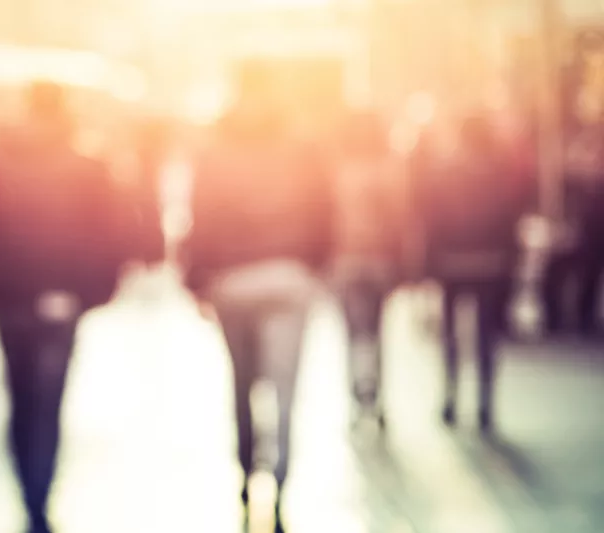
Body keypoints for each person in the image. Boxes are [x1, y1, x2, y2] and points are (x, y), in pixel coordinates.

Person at [0, 81, 161, 533]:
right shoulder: (88, 165)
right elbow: (116, 232)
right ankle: (40, 496)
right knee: (48, 402)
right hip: (62, 301)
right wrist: (93, 290)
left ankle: (29, 495)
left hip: (9, 296)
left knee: (20, 396)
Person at [182, 61, 332, 533]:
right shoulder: (302, 146)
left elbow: (199, 215)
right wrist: (314, 266)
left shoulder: (214, 150)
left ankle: (247, 478)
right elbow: (325, 211)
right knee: (285, 390)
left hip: (232, 281)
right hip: (288, 276)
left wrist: (196, 278)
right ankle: (282, 482)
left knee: (241, 385)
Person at [414, 113, 527, 430]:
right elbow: (510, 219)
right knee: (486, 336)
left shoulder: (444, 171)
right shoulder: (499, 172)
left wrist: (428, 262)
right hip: (491, 263)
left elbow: (431, 219)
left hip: (451, 262)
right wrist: (512, 261)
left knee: (451, 333)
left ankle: (449, 397)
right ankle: (485, 403)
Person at [329, 111, 415, 427]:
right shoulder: (389, 171)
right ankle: (377, 399)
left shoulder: (336, 171)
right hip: (380, 261)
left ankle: (357, 396)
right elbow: (401, 219)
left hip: (345, 261)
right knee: (377, 331)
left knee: (353, 332)